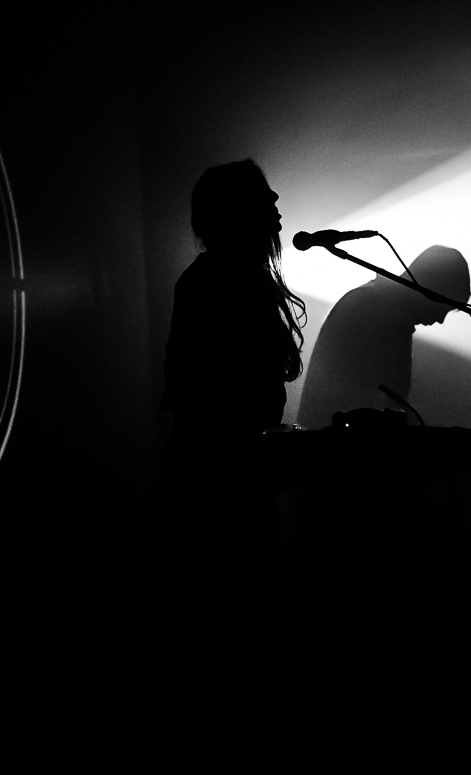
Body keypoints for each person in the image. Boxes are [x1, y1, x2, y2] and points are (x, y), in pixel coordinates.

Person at [158, 158, 306, 652]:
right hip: (217, 482)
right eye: (265, 196)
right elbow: (196, 389)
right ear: (239, 211)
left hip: (227, 475)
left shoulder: (230, 279)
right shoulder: (214, 283)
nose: (277, 204)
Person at [296, 245, 471, 429]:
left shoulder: (384, 310)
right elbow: (358, 399)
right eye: (443, 307)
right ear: (431, 287)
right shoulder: (371, 310)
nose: (441, 319)